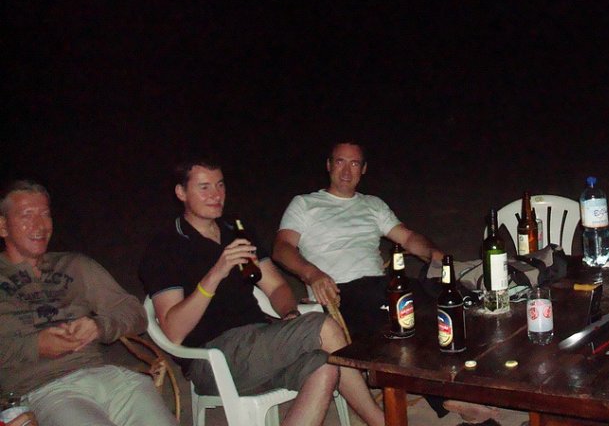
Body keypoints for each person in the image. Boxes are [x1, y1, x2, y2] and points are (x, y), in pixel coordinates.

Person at [139, 160, 384, 426]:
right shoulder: (166, 247)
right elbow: (173, 331)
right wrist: (216, 273)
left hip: (259, 342)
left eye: (220, 185)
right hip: (212, 357)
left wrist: (289, 312)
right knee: (324, 326)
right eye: (204, 187)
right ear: (181, 192)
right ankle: (382, 423)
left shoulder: (235, 231)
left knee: (325, 366)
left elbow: (276, 286)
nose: (216, 195)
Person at [273, 142, 499, 424]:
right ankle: (450, 397)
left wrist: (435, 255)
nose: (347, 171)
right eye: (340, 162)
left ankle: (472, 381)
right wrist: (312, 274)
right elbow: (282, 248)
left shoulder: (372, 205)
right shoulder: (305, 204)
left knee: (456, 300)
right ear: (328, 165)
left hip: (382, 285)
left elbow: (408, 238)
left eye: (354, 163)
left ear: (364, 169)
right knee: (407, 320)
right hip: (340, 291)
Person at [0, 180, 177, 426]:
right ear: (3, 226)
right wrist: (36, 346)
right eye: (27, 215)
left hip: (110, 379)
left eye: (45, 214)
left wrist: (99, 326)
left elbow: (134, 312)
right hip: (46, 391)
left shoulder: (74, 265)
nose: (39, 225)